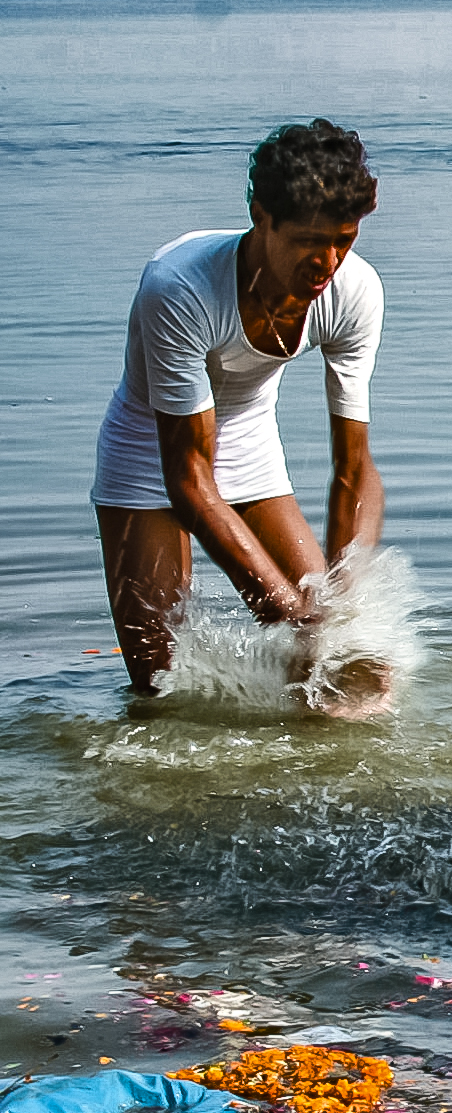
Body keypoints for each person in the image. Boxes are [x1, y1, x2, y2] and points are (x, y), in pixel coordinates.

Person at [92, 119, 388, 706]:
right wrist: (289, 614)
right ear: (261, 214)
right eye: (309, 240)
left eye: (344, 239)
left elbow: (355, 471)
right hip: (150, 453)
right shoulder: (179, 287)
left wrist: (337, 603)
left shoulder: (355, 292)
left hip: (249, 440)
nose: (326, 262)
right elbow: (191, 481)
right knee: (159, 685)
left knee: (330, 667)